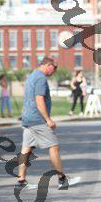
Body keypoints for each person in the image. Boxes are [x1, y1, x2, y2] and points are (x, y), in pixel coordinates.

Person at [17, 57, 70, 189]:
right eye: (55, 68)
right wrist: (48, 119)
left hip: (28, 118)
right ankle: (62, 179)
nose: (55, 71)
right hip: (37, 119)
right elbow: (39, 99)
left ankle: (21, 181)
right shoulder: (41, 78)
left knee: (26, 149)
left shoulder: (32, 76)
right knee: (54, 146)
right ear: (48, 65)